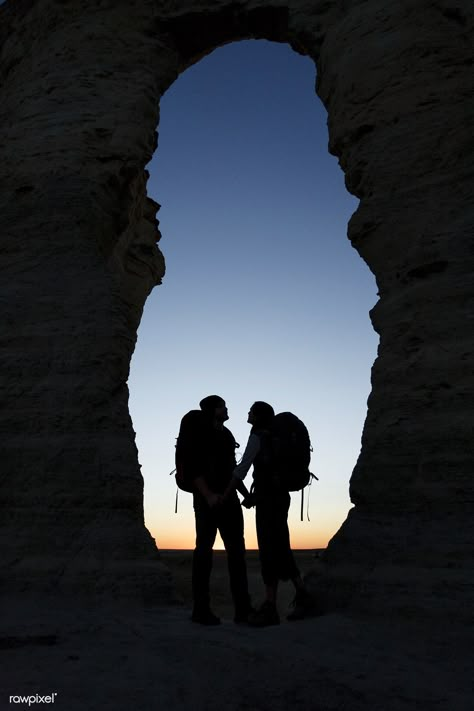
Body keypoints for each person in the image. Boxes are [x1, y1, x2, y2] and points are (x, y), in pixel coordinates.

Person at [223, 401, 313, 626]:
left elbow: (242, 469)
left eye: (251, 411)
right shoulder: (275, 436)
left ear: (258, 416)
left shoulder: (258, 437)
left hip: (267, 499)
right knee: (282, 544)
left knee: (268, 548)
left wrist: (226, 494)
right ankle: (302, 597)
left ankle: (271, 606)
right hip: (281, 496)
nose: (248, 414)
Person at [189, 395, 253, 625]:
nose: (227, 409)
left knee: (235, 553)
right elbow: (193, 466)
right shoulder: (201, 433)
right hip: (209, 501)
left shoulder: (226, 435)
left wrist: (245, 495)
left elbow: (231, 470)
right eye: (223, 406)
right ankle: (202, 610)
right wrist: (208, 496)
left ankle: (242, 610)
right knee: (206, 553)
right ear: (213, 410)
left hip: (227, 500)